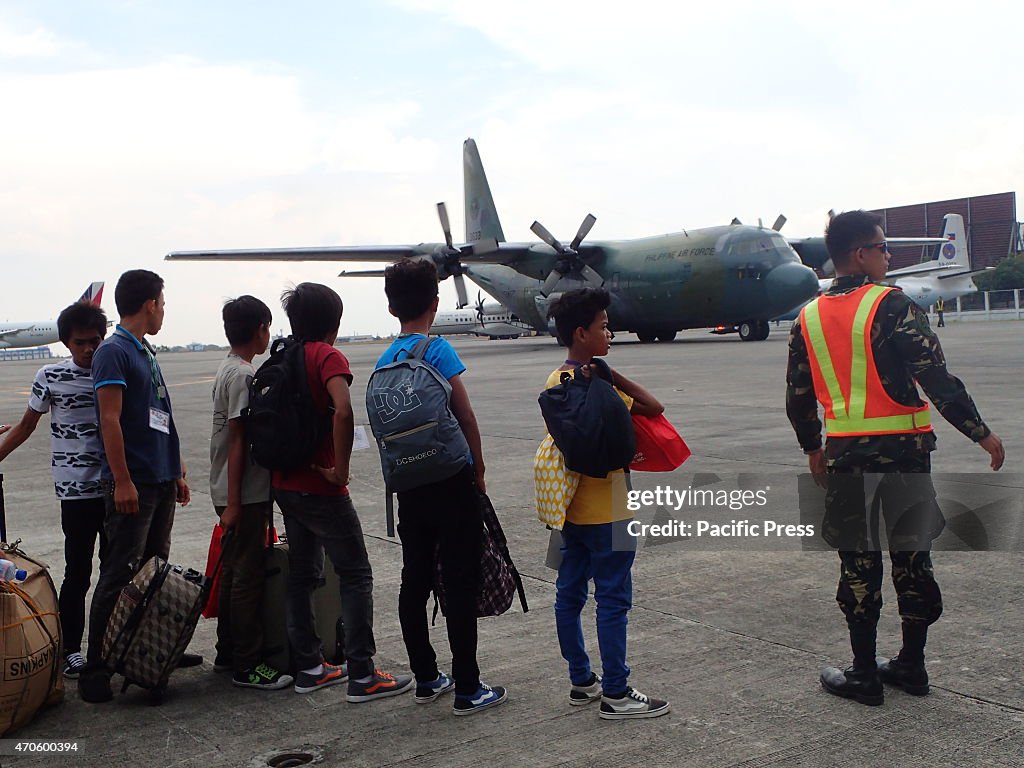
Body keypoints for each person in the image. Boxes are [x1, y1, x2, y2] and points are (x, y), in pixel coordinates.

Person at [786, 210, 1005, 706]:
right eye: (884, 248)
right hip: (905, 455)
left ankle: (864, 673)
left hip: (846, 457)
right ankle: (911, 665)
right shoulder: (892, 305)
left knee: (858, 563)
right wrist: (980, 432)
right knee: (912, 557)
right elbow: (936, 377)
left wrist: (813, 449)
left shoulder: (809, 316)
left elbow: (798, 396)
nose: (889, 256)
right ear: (861, 254)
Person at [374, 259, 507, 716]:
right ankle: (469, 686)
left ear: (392, 308)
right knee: (459, 578)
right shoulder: (438, 350)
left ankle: (427, 678)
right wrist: (479, 466)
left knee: (415, 577)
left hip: (409, 485)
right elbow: (464, 414)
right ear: (435, 303)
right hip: (451, 480)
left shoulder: (385, 358)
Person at [271, 282, 412, 700]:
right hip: (320, 485)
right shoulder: (326, 356)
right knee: (355, 574)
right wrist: (340, 469)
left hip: (285, 483)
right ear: (333, 322)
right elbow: (344, 410)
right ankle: (363, 672)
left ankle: (311, 666)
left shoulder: (284, 356)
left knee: (302, 575)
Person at [545, 288, 670, 720]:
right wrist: (611, 375)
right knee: (614, 600)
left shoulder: (555, 382)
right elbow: (655, 407)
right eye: (602, 326)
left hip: (568, 509)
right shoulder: (604, 389)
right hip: (613, 508)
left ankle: (582, 680)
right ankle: (616, 692)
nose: (609, 333)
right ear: (582, 333)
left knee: (569, 594)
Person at [79, 269, 200, 703]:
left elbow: (158, 414)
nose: (164, 311)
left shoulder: (143, 350)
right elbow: (109, 420)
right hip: (136, 484)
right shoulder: (113, 352)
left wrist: (178, 471)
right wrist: (123, 481)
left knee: (154, 572)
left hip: (160, 478)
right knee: (119, 573)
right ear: (149, 304)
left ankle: (146, 651)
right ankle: (97, 667)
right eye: (163, 303)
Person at [0, 301, 109, 679]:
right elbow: (26, 426)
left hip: (115, 487)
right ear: (65, 342)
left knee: (116, 572)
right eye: (80, 342)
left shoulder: (112, 371)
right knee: (78, 572)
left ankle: (110, 644)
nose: (89, 349)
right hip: (76, 490)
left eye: (95, 340)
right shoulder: (50, 376)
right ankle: (71, 650)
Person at [209, 296, 292, 690]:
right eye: (268, 327)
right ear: (260, 329)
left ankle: (229, 653)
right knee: (247, 575)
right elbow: (240, 439)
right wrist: (238, 502)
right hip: (243, 492)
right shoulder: (243, 376)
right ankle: (248, 662)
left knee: (233, 571)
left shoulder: (228, 368)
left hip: (228, 487)